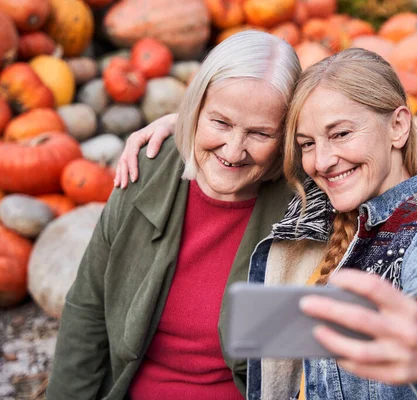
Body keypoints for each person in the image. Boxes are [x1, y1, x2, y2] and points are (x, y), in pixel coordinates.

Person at [116, 49, 417, 400]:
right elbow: (249, 137)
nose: (322, 161)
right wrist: (186, 125)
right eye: (307, 143)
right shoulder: (333, 199)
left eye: (341, 133)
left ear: (398, 126)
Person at [46, 30, 302, 400]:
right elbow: (88, 311)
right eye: (221, 123)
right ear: (195, 107)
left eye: (260, 133)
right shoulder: (146, 166)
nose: (233, 150)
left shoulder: (306, 201)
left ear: (288, 136)